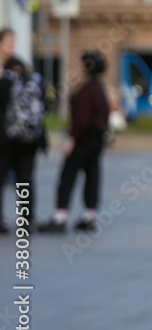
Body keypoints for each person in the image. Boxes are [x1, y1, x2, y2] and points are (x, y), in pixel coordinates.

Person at [39, 50, 110, 233]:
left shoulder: (86, 89)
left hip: (84, 137)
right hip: (97, 137)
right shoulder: (99, 87)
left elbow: (82, 119)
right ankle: (89, 215)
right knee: (92, 174)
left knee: (68, 173)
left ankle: (60, 216)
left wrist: (72, 139)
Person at [0, 56, 45, 233]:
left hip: (6, 141)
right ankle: (26, 220)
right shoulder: (33, 83)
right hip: (29, 142)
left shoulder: (4, 83)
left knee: (1, 180)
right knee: (25, 181)